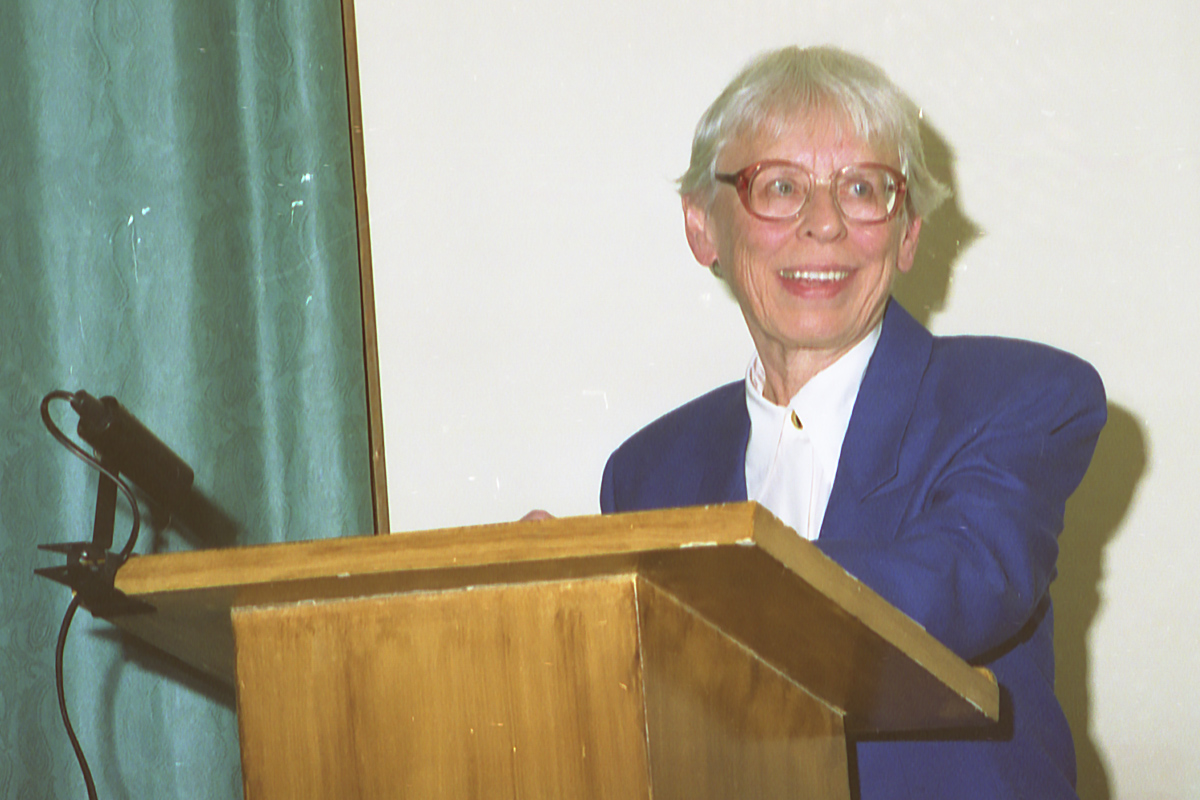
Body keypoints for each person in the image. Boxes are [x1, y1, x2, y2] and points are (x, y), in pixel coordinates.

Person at [599, 45, 1106, 799]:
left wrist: (679, 594)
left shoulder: (1020, 397)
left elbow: (964, 581)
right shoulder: (646, 472)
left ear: (906, 234)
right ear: (704, 226)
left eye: (864, 189)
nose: (825, 225)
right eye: (779, 186)